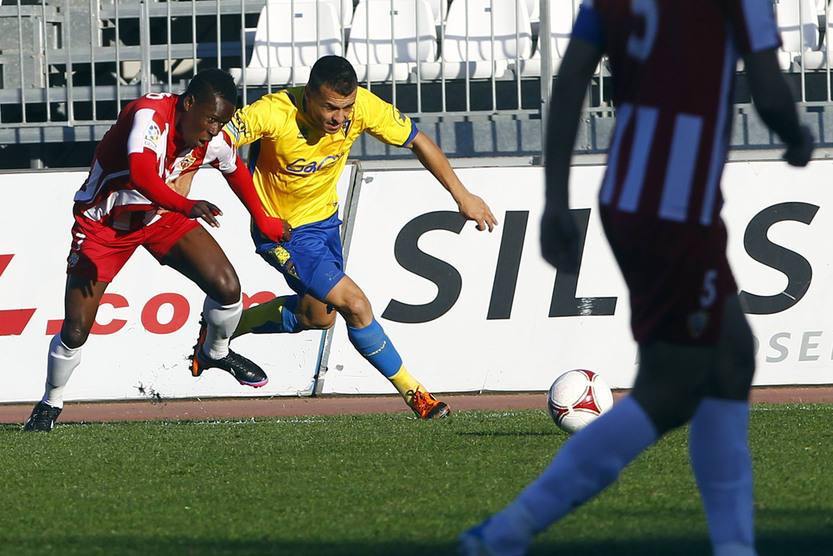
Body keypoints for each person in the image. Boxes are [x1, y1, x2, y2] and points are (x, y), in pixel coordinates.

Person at [459, 0, 814, 554]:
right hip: (674, 208)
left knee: (731, 356)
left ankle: (734, 547)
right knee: (670, 388)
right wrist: (796, 135)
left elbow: (573, 75)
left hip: (633, 195)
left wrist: (556, 199)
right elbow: (767, 89)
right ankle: (505, 533)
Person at [205, 55, 498, 419]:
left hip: (325, 225)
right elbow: (212, 141)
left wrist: (462, 195)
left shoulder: (362, 108)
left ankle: (221, 332)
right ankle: (415, 393)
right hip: (284, 233)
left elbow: (418, 140)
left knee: (318, 318)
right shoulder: (272, 112)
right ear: (308, 94)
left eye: (345, 108)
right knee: (356, 305)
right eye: (330, 107)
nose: (339, 118)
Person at [24, 69, 291, 432]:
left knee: (228, 288)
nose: (215, 129)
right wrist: (186, 205)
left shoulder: (210, 137)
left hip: (160, 217)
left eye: (222, 122)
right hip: (104, 227)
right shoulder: (149, 116)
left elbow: (236, 169)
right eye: (212, 119)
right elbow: (141, 173)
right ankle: (49, 403)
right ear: (188, 103)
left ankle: (214, 353)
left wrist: (264, 218)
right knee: (75, 330)